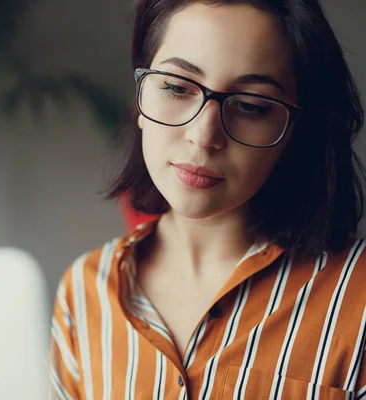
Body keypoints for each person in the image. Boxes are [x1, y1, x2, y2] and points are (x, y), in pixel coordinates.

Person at [49, 0, 366, 398]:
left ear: (292, 133)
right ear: (141, 95)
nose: (203, 135)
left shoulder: (358, 295)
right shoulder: (84, 292)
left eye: (251, 106)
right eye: (176, 87)